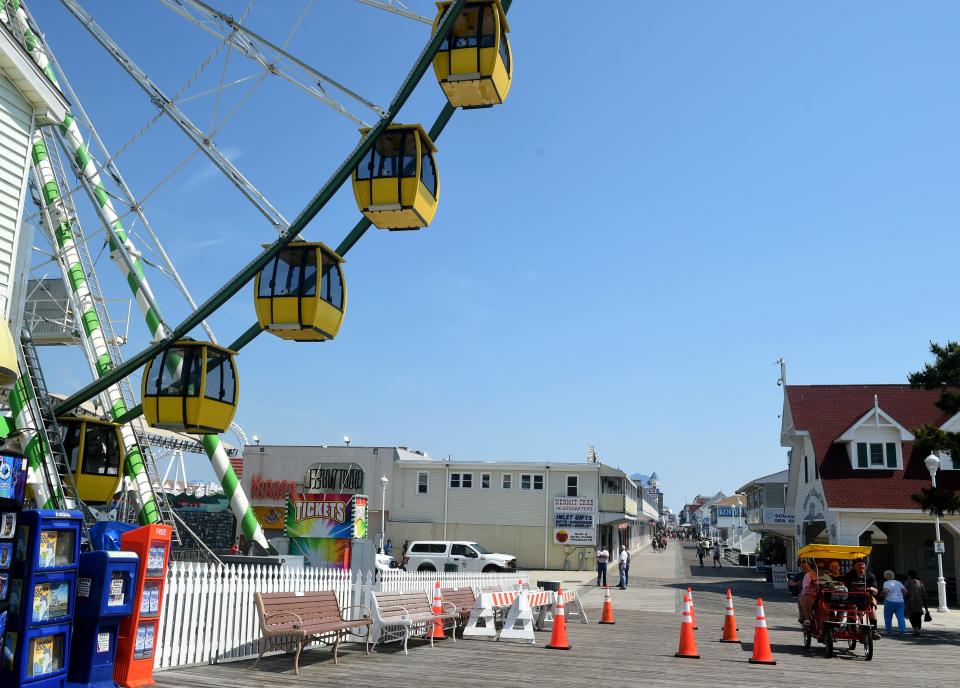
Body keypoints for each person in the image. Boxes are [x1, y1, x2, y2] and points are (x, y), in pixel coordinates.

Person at [842, 558, 880, 638]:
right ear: (854, 566)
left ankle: (874, 630)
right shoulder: (849, 575)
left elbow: (876, 591)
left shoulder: (870, 575)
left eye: (863, 565)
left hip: (866, 597)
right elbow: (845, 587)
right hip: (852, 596)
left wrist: (873, 589)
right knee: (852, 608)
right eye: (859, 565)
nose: (861, 566)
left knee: (871, 608)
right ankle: (853, 627)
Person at [881, 570, 908, 635]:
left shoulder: (886, 583)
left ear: (885, 576)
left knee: (888, 617)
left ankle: (889, 631)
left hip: (890, 601)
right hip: (900, 601)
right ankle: (902, 631)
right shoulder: (898, 582)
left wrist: (881, 594)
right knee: (900, 616)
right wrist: (902, 597)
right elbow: (905, 591)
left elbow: (885, 591)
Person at [904, 569, 929, 636]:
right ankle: (918, 628)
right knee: (918, 616)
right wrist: (926, 606)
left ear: (909, 575)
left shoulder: (907, 582)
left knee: (911, 615)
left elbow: (905, 592)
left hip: (910, 602)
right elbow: (924, 594)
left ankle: (915, 629)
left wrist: (904, 599)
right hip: (919, 602)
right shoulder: (920, 582)